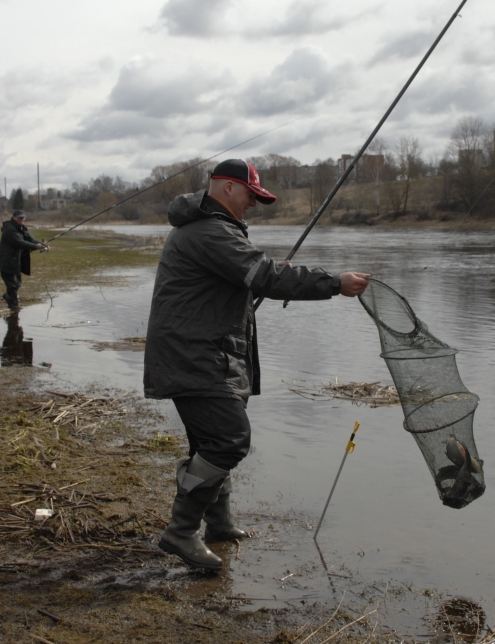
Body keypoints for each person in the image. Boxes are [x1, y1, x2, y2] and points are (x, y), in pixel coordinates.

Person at [144, 158, 370, 570]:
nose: (253, 204)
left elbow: (251, 274)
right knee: (229, 439)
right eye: (251, 195)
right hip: (195, 357)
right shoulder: (211, 231)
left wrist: (272, 273)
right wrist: (334, 283)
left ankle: (218, 524)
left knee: (209, 442)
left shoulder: (211, 229)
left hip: (203, 354)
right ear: (228, 187)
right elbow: (263, 276)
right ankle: (180, 532)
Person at [0, 210, 48, 310]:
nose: (22, 219)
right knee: (12, 285)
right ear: (14, 217)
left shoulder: (21, 228)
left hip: (16, 261)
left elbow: (30, 239)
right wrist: (36, 246)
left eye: (23, 217)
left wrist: (43, 244)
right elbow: (19, 242)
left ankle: (8, 296)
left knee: (18, 284)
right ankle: (14, 307)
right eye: (20, 217)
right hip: (6, 261)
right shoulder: (10, 229)